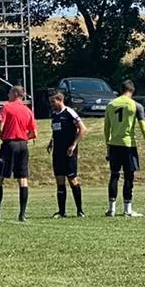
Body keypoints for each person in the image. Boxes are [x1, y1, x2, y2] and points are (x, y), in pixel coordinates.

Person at [102, 79, 145, 218]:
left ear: (120, 90)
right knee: (129, 177)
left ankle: (111, 209)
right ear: (133, 90)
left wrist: (108, 145)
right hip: (128, 145)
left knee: (114, 175)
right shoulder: (135, 105)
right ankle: (127, 210)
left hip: (114, 144)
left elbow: (106, 128)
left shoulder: (111, 105)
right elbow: (143, 127)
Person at [0, 85, 37, 221]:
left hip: (9, 144)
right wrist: (22, 137)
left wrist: (4, 137)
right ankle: (22, 214)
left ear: (16, 93)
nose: (8, 95)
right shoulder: (28, 111)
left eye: (10, 92)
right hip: (23, 145)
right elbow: (34, 133)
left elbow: (0, 127)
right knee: (22, 179)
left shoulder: (6, 107)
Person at [46, 90, 85, 218]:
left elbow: (83, 129)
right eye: (50, 102)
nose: (51, 104)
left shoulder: (69, 112)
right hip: (57, 152)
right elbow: (56, 131)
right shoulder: (54, 114)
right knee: (59, 180)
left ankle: (80, 210)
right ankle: (61, 211)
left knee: (72, 179)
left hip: (69, 152)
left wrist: (74, 145)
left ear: (60, 100)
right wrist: (51, 142)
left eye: (53, 101)